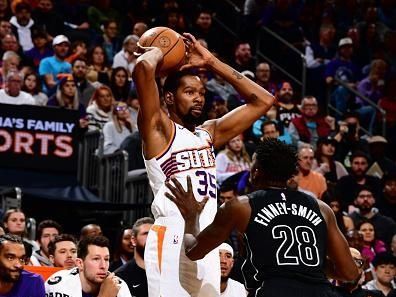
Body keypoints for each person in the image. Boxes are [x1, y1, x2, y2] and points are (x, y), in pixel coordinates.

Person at [133, 32, 275, 297]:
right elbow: (142, 68)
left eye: (201, 92)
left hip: (206, 240)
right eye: (189, 92)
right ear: (169, 98)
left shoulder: (207, 134)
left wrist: (211, 61)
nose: (199, 98)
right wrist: (161, 50)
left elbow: (263, 100)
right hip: (172, 235)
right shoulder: (159, 130)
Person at [165, 138, 359, 297]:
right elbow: (350, 272)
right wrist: (308, 268)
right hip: (321, 292)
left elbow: (194, 251)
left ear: (256, 171)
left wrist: (191, 217)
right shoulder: (321, 208)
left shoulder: (240, 206)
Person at [45, 235, 132, 297]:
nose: (103, 266)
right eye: (96, 259)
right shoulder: (59, 284)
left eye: (106, 259)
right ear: (80, 263)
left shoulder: (119, 286)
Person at [115, 217, 154, 296]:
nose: (152, 237)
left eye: (154, 234)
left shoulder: (165, 273)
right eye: (146, 234)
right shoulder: (120, 277)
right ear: (133, 240)